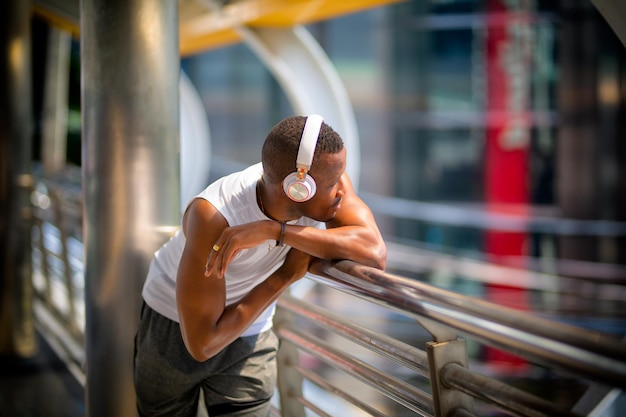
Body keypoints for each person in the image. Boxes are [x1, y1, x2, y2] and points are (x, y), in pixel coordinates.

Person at [133, 114, 387, 417]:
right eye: (332, 183)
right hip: (172, 328)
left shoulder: (329, 183)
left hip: (250, 330)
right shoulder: (215, 216)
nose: (342, 191)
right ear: (297, 188)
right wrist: (284, 276)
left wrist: (275, 231)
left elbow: (374, 251)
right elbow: (202, 343)